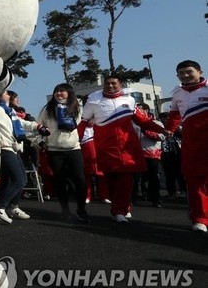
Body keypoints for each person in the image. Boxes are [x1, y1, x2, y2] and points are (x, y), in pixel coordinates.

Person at [78, 75, 170, 223]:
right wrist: (76, 140)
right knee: (111, 181)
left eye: (114, 83)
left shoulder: (129, 100)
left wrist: (162, 130)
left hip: (128, 148)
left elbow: (143, 121)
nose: (110, 86)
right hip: (106, 148)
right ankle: (120, 208)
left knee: (126, 180)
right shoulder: (93, 102)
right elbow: (83, 124)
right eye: (107, 83)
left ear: (120, 84)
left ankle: (120, 210)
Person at [0, 91, 48, 224]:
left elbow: (21, 123)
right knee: (19, 180)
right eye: (6, 93)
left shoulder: (9, 111)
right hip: (5, 148)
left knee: (7, 181)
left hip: (15, 148)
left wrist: (37, 126)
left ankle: (11, 207)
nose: (9, 96)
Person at [166, 60, 208, 232]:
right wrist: (168, 130)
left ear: (200, 71)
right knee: (194, 181)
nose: (185, 75)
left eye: (189, 71)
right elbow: (174, 115)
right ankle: (200, 219)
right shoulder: (177, 93)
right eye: (181, 73)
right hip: (191, 144)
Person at [37, 83, 89, 222]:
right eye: (56, 92)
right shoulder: (48, 109)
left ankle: (81, 209)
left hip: (74, 149)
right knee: (59, 181)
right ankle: (65, 210)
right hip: (54, 150)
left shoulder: (77, 107)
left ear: (69, 93)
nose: (58, 94)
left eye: (62, 92)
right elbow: (38, 126)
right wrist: (39, 140)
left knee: (80, 180)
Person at [135, 103, 164, 208]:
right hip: (137, 154)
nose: (138, 112)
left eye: (140, 110)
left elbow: (162, 136)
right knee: (136, 177)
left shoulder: (157, 123)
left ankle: (155, 199)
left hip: (152, 154)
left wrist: (146, 131)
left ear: (146, 111)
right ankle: (136, 197)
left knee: (153, 177)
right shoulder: (134, 123)